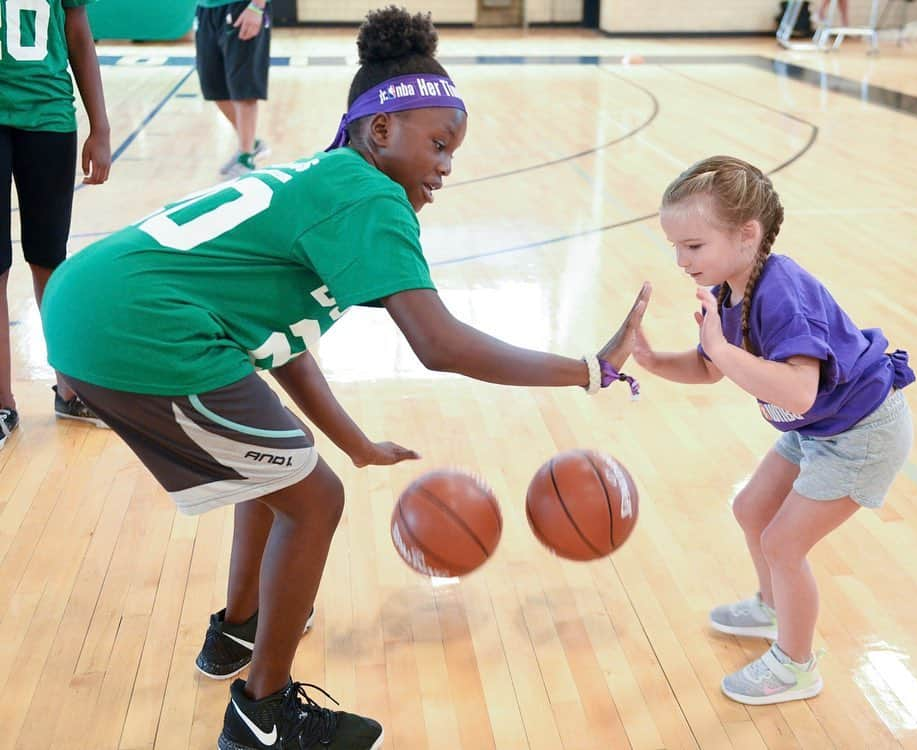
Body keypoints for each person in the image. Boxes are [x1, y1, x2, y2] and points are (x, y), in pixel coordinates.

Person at [41, 7, 650, 748]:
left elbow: (286, 347)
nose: (448, 164)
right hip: (135, 327)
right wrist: (590, 368)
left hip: (99, 303)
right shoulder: (370, 197)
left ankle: (238, 632)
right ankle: (261, 713)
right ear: (382, 130)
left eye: (454, 150)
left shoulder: (327, 180)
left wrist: (355, 440)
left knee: (280, 468)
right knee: (313, 497)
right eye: (440, 142)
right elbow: (439, 344)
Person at [632, 156, 914, 705]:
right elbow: (711, 368)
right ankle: (771, 608)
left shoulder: (783, 290)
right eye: (675, 246)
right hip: (818, 426)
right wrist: (655, 360)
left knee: (784, 543)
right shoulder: (729, 287)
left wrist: (717, 347)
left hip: (861, 432)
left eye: (693, 246)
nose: (680, 260)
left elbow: (797, 390)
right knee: (751, 511)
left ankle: (797, 665)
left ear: (746, 235)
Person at [0, 0, 111, 449]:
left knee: (49, 260)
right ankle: (2, 401)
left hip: (48, 116)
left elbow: (78, 32)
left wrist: (99, 126)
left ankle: (69, 389)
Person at [196, 0, 272, 177]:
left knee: (244, 88)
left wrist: (257, 7)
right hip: (206, 9)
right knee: (214, 88)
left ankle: (246, 157)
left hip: (242, 6)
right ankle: (252, 144)